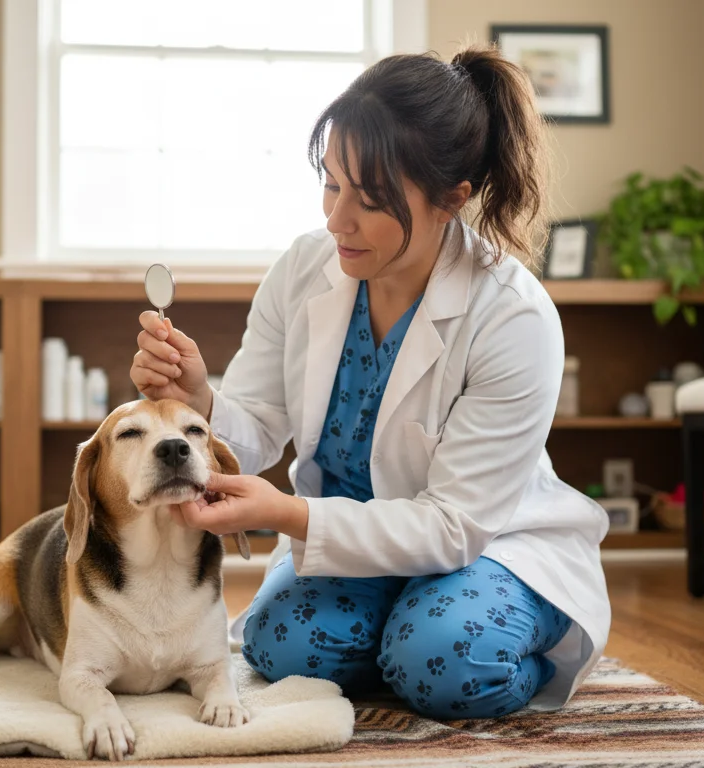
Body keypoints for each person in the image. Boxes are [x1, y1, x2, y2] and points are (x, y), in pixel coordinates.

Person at [129, 43, 609, 720]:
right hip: (353, 540)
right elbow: (257, 429)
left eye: (372, 198)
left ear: (451, 200)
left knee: (444, 661)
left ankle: (498, 629)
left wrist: (285, 514)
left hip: (487, 545)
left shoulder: (514, 317)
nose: (336, 220)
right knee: (282, 646)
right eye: (331, 183)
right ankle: (401, 629)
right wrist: (198, 398)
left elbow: (451, 525)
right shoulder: (304, 269)